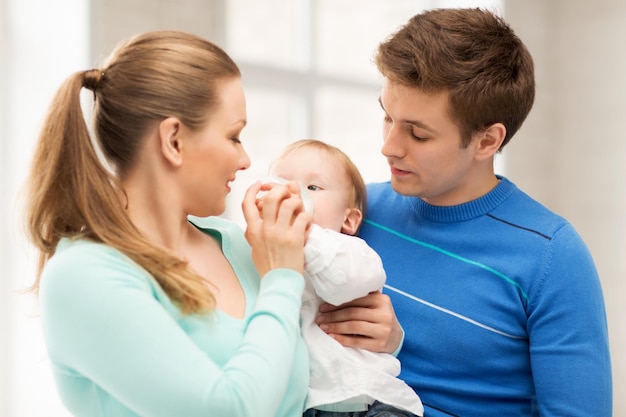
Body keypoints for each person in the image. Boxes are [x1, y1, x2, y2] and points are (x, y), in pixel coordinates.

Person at [316, 8, 612, 417]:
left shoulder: (552, 257)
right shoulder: (352, 214)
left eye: (418, 133)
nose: (389, 145)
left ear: (487, 141)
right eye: (387, 116)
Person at [23, 30, 313, 417]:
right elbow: (229, 410)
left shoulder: (240, 244)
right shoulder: (84, 274)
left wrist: (382, 336)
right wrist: (282, 280)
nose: (245, 160)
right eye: (234, 136)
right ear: (173, 140)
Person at [264, 139, 423, 417]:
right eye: (281, 184)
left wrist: (303, 234)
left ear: (349, 220)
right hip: (308, 405)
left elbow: (345, 285)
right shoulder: (262, 255)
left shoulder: (352, 251)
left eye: (313, 187)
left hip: (371, 400)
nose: (293, 193)